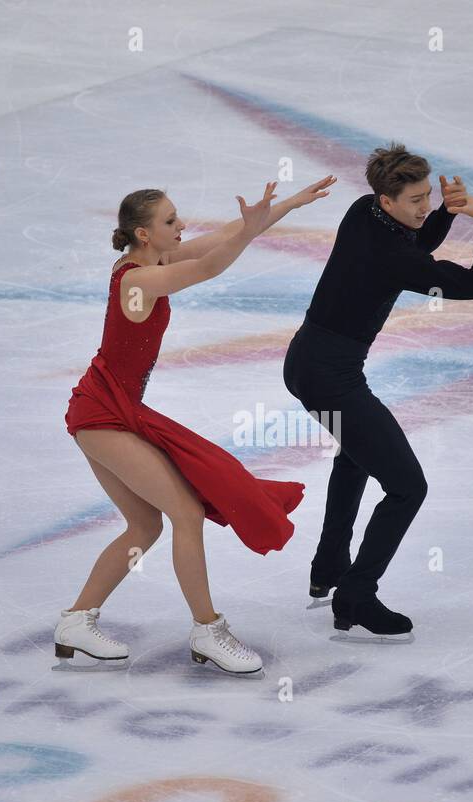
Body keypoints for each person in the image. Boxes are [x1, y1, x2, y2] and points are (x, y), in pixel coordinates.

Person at [57, 175, 336, 676]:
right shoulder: (137, 280)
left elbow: (229, 232)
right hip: (103, 412)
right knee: (185, 512)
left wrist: (289, 204)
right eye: (170, 220)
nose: (181, 224)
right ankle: (208, 630)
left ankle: (77, 621)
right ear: (144, 234)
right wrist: (247, 234)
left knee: (146, 524)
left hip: (116, 409)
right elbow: (210, 265)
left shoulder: (156, 261)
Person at [283, 143, 473, 637]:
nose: (424, 206)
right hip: (328, 376)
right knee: (407, 487)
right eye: (415, 199)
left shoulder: (363, 213)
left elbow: (415, 246)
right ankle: (357, 594)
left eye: (427, 195)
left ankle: (329, 571)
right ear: (387, 200)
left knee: (354, 457)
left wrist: (447, 212)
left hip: (308, 362)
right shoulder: (392, 253)